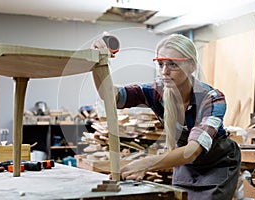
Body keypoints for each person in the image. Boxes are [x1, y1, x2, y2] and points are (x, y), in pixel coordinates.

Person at [91, 33, 241, 200]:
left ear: (191, 66)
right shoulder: (156, 92)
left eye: (173, 65)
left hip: (217, 163)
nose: (165, 71)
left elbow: (192, 151)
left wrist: (146, 163)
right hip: (185, 163)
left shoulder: (212, 98)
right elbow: (112, 96)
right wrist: (97, 62)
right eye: (161, 64)